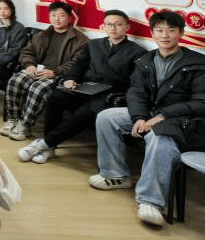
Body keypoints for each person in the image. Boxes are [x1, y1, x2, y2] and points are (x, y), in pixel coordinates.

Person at [89, 10, 205, 228]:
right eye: (159, 30)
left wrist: (164, 115)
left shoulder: (200, 64)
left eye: (171, 30)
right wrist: (139, 117)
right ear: (152, 33)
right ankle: (115, 174)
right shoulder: (146, 60)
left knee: (159, 134)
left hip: (185, 122)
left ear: (181, 33)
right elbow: (136, 92)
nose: (165, 35)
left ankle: (150, 201)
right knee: (107, 117)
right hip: (152, 115)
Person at [18, 9, 145, 164]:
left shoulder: (137, 52)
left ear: (127, 27)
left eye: (118, 25)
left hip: (110, 95)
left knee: (85, 113)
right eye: (109, 24)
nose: (113, 28)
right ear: (103, 26)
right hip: (86, 88)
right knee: (56, 97)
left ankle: (44, 144)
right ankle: (50, 148)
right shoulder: (94, 44)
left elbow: (134, 82)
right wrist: (71, 79)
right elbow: (79, 66)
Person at [1, 1, 88, 141]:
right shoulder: (43, 35)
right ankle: (14, 119)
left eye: (61, 15)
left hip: (58, 75)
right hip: (37, 69)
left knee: (37, 88)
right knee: (15, 81)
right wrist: (29, 65)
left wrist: (55, 72)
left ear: (69, 18)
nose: (56, 19)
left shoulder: (80, 40)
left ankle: (25, 125)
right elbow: (27, 52)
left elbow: (76, 64)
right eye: (53, 15)